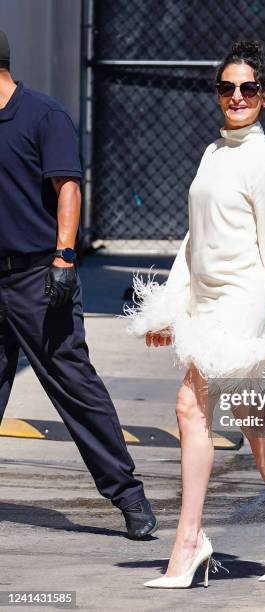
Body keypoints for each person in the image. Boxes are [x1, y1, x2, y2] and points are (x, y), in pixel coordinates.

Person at [126, 40, 265, 586]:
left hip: (244, 298)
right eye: (225, 87)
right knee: (250, 415)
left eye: (246, 88)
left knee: (189, 405)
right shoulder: (214, 153)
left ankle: (189, 542)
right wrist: (168, 307)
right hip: (209, 296)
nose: (235, 97)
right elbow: (194, 239)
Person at [0, 31, 157, 539]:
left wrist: (65, 256)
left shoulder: (44, 116)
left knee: (73, 386)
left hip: (38, 278)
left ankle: (129, 499)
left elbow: (67, 186)